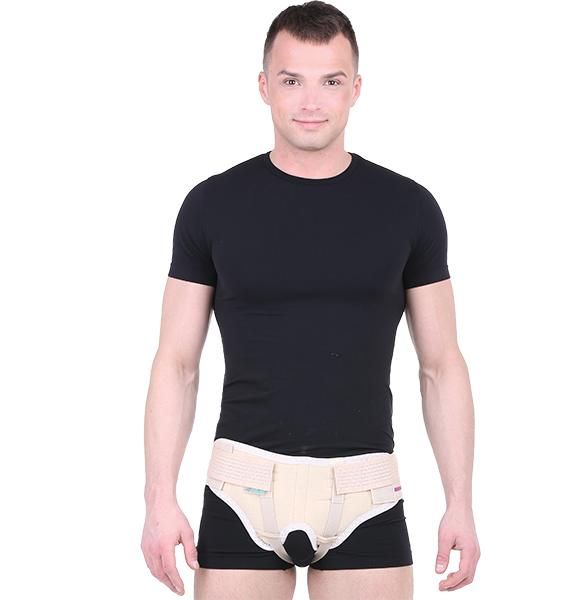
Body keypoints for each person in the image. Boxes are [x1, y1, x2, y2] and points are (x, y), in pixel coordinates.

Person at [141, 2, 480, 598]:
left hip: (365, 490)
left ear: (356, 89)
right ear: (264, 86)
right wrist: (158, 499)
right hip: (241, 484)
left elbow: (441, 365)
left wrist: (461, 502)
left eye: (330, 82)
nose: (311, 102)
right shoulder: (212, 205)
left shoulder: (408, 208)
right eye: (292, 80)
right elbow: (176, 363)